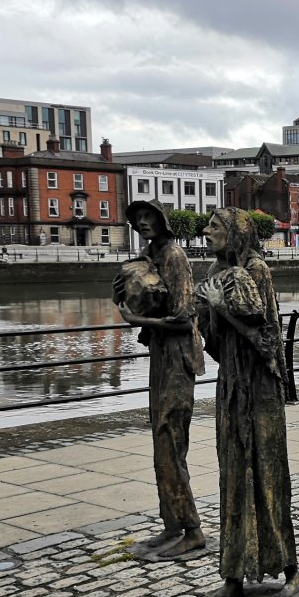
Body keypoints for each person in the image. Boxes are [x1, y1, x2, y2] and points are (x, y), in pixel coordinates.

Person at [194, 208, 299, 597]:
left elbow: (268, 339)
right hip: (232, 388)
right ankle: (233, 576)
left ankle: (291, 572)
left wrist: (223, 309)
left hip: (261, 392)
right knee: (233, 479)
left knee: (269, 477)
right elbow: (217, 345)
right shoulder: (215, 272)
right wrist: (206, 315)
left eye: (215, 226)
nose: (206, 232)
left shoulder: (257, 271)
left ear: (236, 232)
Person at [113, 199, 206, 558]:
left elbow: (184, 318)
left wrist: (138, 322)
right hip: (160, 355)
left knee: (171, 441)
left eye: (149, 216)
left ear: (163, 220)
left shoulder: (175, 256)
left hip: (178, 358)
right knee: (160, 443)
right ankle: (171, 524)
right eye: (138, 218)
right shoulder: (149, 256)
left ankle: (192, 530)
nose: (143, 222)